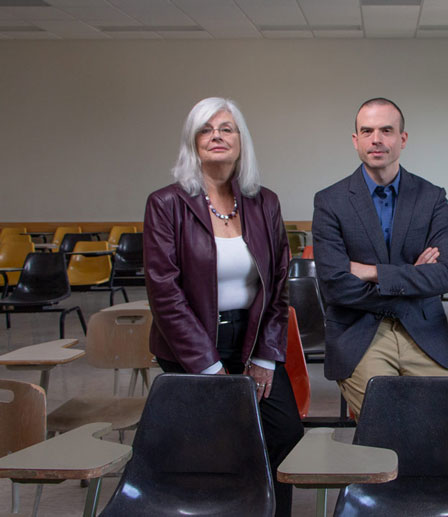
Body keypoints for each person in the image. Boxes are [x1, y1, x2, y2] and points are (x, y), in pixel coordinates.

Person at [143, 97, 303, 517]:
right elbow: (165, 293)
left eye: (226, 128)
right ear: (192, 142)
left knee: (283, 431)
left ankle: (268, 510)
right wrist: (210, 369)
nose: (217, 135)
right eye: (206, 129)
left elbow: (278, 283)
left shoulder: (264, 202)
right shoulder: (166, 204)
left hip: (252, 340)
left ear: (240, 141)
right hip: (189, 348)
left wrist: (267, 356)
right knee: (216, 442)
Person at [312, 97, 448, 419]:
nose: (376, 139)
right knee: (390, 419)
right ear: (356, 140)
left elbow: (446, 275)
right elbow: (336, 286)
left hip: (423, 332)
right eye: (367, 131)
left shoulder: (432, 197)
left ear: (402, 139)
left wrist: (371, 271)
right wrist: (410, 277)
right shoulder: (330, 202)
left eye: (386, 130)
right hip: (360, 334)